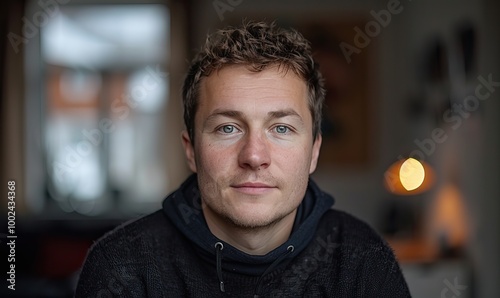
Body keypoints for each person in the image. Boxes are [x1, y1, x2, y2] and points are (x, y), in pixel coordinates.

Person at [75, 20, 410, 297]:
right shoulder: (121, 267)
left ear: (314, 152)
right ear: (191, 150)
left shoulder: (364, 260)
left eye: (280, 128)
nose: (254, 156)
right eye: (227, 128)